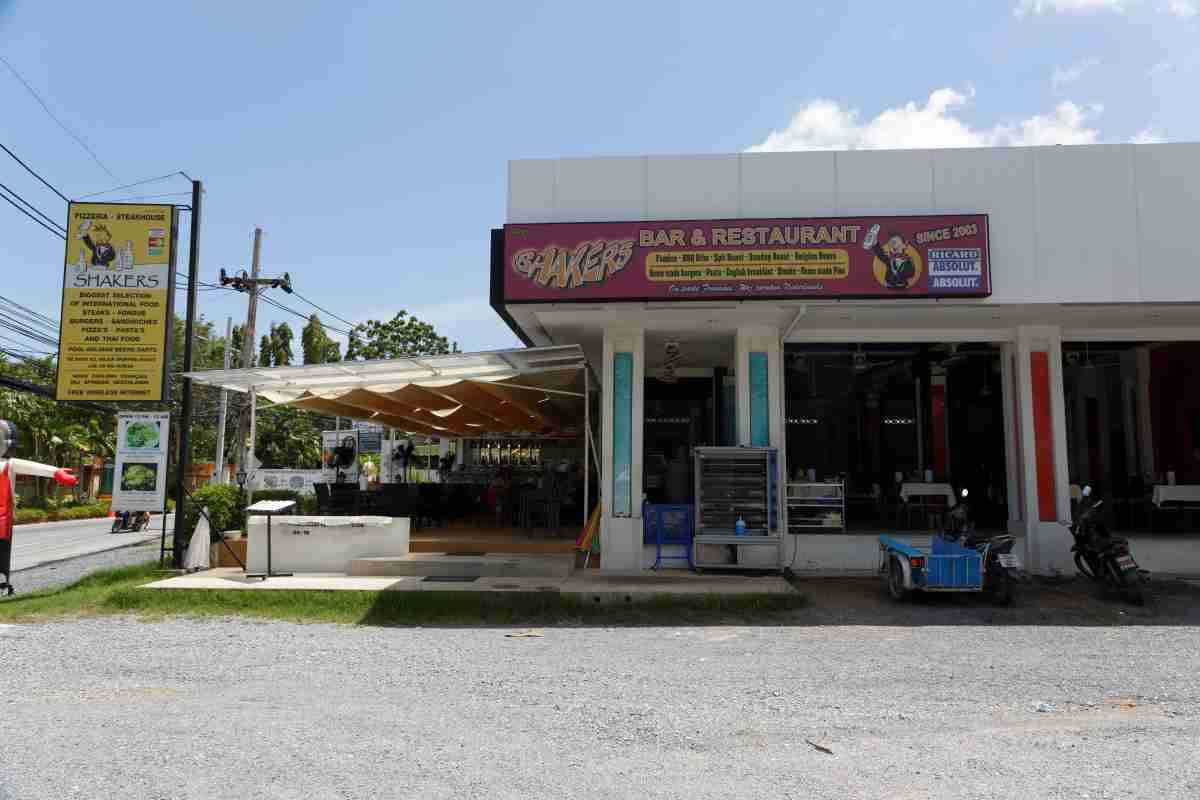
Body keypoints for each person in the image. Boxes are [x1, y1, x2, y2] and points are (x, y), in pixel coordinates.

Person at [0, 420, 78, 595]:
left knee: (2, 552)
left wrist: (56, 472)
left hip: (2, 521)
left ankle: (2, 583)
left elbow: (33, 467)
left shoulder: (8, 464)